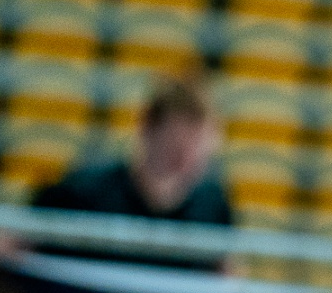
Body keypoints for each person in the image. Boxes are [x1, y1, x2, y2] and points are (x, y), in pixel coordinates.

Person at [29, 73, 231, 266]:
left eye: (197, 151)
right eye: (175, 148)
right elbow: (21, 248)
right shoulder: (84, 192)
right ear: (147, 130)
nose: (185, 160)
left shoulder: (212, 206)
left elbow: (225, 276)